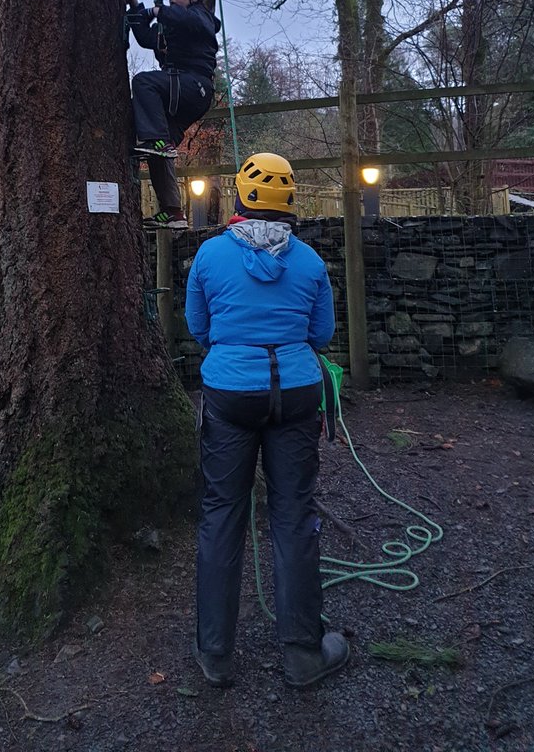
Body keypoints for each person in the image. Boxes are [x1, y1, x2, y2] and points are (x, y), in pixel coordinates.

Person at [185, 152, 350, 689]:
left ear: (238, 198)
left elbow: (199, 328)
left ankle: (215, 653)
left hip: (231, 395)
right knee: (293, 515)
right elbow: (320, 336)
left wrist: (236, 352)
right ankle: (302, 654)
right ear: (290, 203)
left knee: (221, 514)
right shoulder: (309, 263)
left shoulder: (209, 257)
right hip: (298, 395)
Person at [125, 0, 220, 229]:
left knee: (143, 82)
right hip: (181, 89)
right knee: (159, 151)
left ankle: (156, 140)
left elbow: (186, 20)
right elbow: (145, 38)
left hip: (193, 86)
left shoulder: (202, 18)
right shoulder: (173, 23)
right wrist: (136, 9)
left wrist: (158, 11)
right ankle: (173, 212)